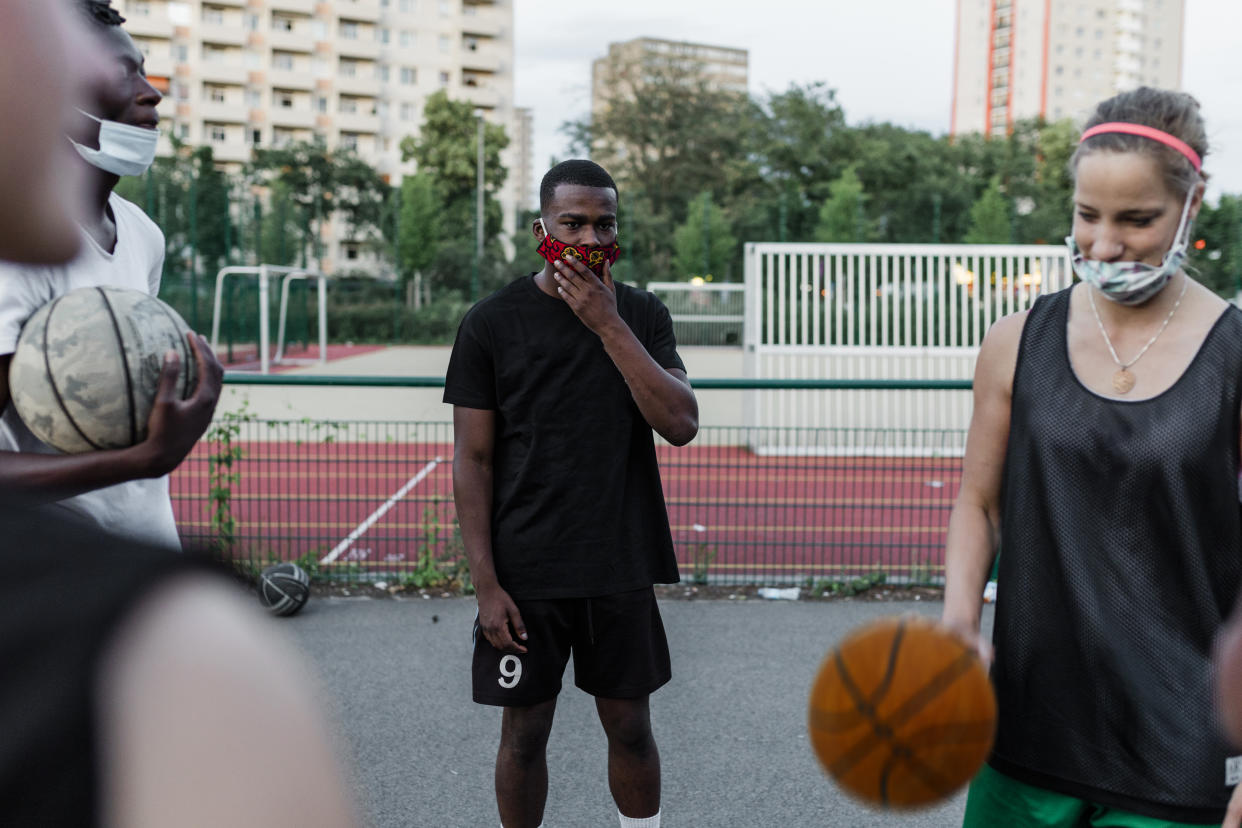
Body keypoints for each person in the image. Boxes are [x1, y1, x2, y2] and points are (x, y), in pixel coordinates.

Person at [941, 86, 1242, 827]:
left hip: (1183, 751)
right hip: (1029, 729)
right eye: (1087, 216)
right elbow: (979, 503)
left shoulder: (1235, 354)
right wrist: (958, 623)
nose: (1104, 245)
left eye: (1137, 220)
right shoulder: (1017, 340)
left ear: (1191, 203)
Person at [445, 159, 698, 828]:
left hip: (618, 561)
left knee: (631, 727)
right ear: (541, 230)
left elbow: (680, 424)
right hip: (528, 568)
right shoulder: (491, 323)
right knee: (525, 735)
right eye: (573, 223)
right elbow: (472, 460)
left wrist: (608, 324)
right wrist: (485, 584)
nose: (589, 239)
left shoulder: (641, 313)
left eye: (604, 224)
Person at [0, 0, 222, 549]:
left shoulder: (144, 235)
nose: (152, 92)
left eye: (145, 70)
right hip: (45, 582)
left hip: (143, 559)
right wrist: (143, 460)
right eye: (126, 73)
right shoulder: (13, 252)